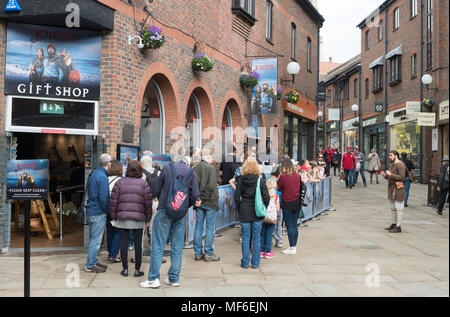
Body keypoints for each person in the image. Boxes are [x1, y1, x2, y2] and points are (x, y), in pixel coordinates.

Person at [140, 155, 200, 288]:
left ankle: (153, 279)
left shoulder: (167, 168)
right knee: (177, 247)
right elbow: (195, 195)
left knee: (158, 245)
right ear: (188, 163)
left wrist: (165, 200)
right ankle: (174, 278)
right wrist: (184, 206)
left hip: (164, 211)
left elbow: (156, 189)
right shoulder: (191, 172)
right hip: (180, 214)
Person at [109, 160, 153, 277]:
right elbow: (148, 204)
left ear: (127, 170)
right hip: (138, 219)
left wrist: (113, 217)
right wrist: (148, 219)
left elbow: (113, 202)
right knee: (138, 245)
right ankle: (137, 269)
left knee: (123, 244)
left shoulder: (120, 183)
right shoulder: (143, 184)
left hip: (123, 218)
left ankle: (125, 269)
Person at [234, 158, 269, 268]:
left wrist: (239, 209)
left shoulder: (240, 180)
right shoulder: (261, 181)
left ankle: (245, 262)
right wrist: (264, 207)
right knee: (256, 238)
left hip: (244, 211)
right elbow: (266, 197)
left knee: (245, 237)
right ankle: (255, 263)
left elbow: (236, 197)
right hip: (257, 212)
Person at [84, 153, 112, 273]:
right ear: (108, 163)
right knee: (96, 240)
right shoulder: (102, 176)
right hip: (98, 212)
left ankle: (93, 261)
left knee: (93, 239)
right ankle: (90, 264)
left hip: (91, 210)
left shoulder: (95, 173)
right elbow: (104, 197)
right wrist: (106, 211)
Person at [193, 148, 221, 262]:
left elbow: (193, 186)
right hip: (209, 201)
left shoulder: (195, 168)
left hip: (200, 202)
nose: (212, 159)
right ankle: (209, 253)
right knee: (209, 228)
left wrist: (198, 199)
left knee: (198, 227)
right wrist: (202, 199)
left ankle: (198, 253)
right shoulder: (211, 168)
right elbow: (210, 186)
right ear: (208, 157)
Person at [277, 158, 302, 255]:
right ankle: (294, 246)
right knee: (294, 225)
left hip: (287, 202)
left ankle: (292, 248)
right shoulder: (297, 175)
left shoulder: (283, 177)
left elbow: (279, 187)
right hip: (296, 202)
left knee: (289, 226)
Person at [381, 151, 407, 233]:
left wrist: (390, 174)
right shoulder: (392, 165)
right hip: (392, 189)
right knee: (393, 207)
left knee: (398, 207)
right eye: (389, 155)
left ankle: (398, 226)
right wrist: (385, 175)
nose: (389, 157)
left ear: (396, 156)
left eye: (391, 155)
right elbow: (390, 177)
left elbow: (402, 177)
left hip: (398, 189)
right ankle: (394, 223)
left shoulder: (401, 165)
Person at [140, 154, 161, 256]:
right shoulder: (159, 173)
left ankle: (136, 255)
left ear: (142, 164)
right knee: (155, 231)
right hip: (156, 203)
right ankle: (156, 255)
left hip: (143, 205)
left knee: (140, 231)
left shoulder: (140, 174)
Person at [106, 160, 122, 263]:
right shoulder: (120, 180)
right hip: (117, 209)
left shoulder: (105, 179)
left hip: (107, 208)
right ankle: (113, 255)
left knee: (110, 231)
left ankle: (110, 252)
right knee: (118, 232)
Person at [260, 178, 280, 259]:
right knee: (269, 235)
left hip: (263, 217)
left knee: (262, 234)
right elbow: (278, 209)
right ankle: (268, 252)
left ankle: (261, 251)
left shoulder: (263, 195)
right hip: (272, 219)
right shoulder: (276, 196)